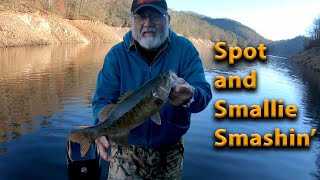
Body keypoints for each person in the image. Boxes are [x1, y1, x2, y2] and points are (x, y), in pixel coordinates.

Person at [92, 0, 212, 179]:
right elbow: (102, 101)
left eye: (154, 15)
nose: (147, 23)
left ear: (168, 20)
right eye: (141, 16)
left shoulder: (185, 50)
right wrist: (99, 129)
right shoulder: (116, 56)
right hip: (125, 154)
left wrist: (190, 96)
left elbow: (203, 93)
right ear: (132, 21)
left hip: (170, 154)